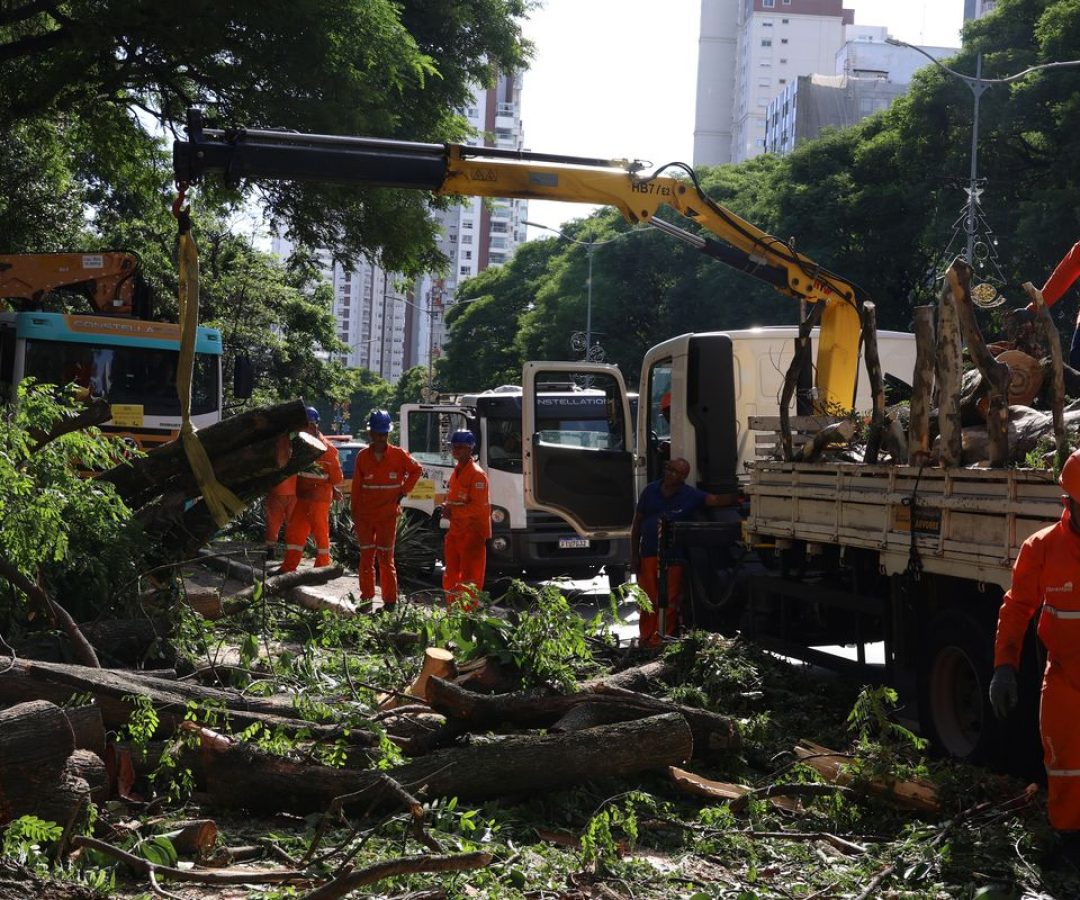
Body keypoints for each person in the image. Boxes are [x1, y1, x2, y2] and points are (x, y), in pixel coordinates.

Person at [990, 447, 1080, 861]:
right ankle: (1067, 838)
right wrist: (1004, 667)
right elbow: (1017, 607)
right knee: (1065, 765)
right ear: (1070, 503)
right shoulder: (1041, 548)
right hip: (1065, 677)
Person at [630, 457, 734, 647]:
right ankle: (646, 640)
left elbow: (715, 500)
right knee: (648, 600)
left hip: (674, 558)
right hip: (649, 554)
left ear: (684, 476)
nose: (670, 474)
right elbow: (637, 524)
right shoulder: (650, 491)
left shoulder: (690, 495)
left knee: (669, 601)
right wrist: (634, 555)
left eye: (676, 472)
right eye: (669, 469)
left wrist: (743, 495)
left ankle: (662, 640)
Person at [350, 409, 422, 611]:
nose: (381, 438)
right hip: (365, 517)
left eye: (384, 434)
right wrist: (354, 515)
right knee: (366, 558)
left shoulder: (399, 455)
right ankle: (366, 600)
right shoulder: (362, 457)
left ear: (388, 434)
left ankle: (390, 602)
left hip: (388, 517)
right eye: (377, 433)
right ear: (370, 434)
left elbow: (417, 470)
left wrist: (404, 490)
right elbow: (356, 489)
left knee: (385, 559)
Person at [279, 406, 343, 572]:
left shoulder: (327, 450)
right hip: (303, 497)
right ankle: (288, 567)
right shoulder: (301, 446)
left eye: (304, 425)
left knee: (320, 532)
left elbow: (337, 478)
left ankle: (322, 566)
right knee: (295, 532)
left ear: (313, 426)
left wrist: (330, 486)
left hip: (319, 498)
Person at [441, 430, 491, 608]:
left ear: (470, 449)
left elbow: (477, 507)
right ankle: (453, 612)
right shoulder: (457, 471)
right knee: (451, 575)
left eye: (461, 447)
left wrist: (452, 512)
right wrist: (447, 507)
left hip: (472, 534)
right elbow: (455, 499)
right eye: (454, 447)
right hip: (456, 532)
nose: (456, 450)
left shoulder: (477, 475)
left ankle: (467, 616)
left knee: (470, 578)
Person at [265, 432, 297, 560]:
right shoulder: (297, 443)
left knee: (273, 522)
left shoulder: (275, 442)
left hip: (277, 491)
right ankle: (291, 551)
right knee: (291, 523)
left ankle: (270, 550)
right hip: (292, 491)